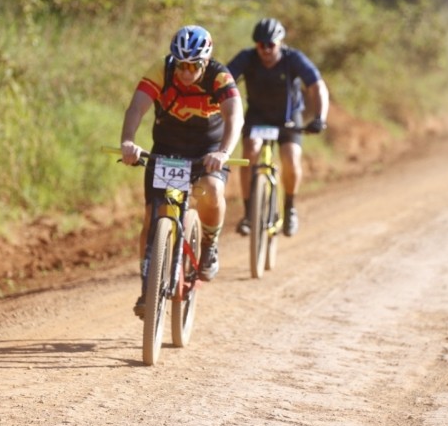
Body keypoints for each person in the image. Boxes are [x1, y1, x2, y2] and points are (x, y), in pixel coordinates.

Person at [120, 25, 244, 318]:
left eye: (192, 66)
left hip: (208, 152)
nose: (185, 73)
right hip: (167, 150)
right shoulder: (161, 70)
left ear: (204, 62)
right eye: (180, 65)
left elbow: (234, 116)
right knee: (152, 216)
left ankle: (210, 243)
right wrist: (127, 141)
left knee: (212, 190)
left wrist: (223, 153)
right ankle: (147, 287)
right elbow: (136, 108)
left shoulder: (219, 76)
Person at [227, 17, 329, 237]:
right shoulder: (247, 58)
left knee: (291, 158)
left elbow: (316, 86)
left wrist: (320, 116)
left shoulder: (294, 59)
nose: (265, 50)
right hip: (258, 115)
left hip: (288, 118)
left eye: (270, 45)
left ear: (280, 42)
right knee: (249, 153)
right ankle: (248, 214)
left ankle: (290, 208)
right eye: (260, 45)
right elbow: (223, 81)